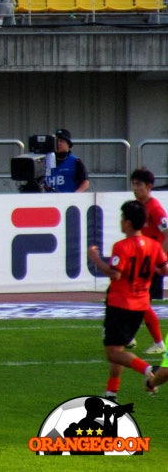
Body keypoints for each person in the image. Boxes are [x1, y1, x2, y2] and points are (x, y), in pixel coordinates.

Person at [87, 201, 167, 401]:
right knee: (119, 349)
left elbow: (115, 274)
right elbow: (164, 269)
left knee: (112, 353)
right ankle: (111, 394)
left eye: (123, 219)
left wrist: (95, 258)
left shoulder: (122, 246)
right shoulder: (153, 245)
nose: (121, 222)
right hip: (140, 306)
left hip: (120, 304)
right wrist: (150, 272)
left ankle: (150, 369)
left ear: (129, 223)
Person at [126, 168, 168, 356]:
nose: (135, 188)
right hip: (142, 261)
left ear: (149, 187)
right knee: (138, 301)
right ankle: (129, 335)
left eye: (139, 185)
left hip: (151, 262)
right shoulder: (137, 206)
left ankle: (157, 342)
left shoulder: (155, 208)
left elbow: (167, 234)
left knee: (140, 301)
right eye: (133, 184)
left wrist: (159, 258)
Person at [45, 128, 90, 193]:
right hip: (47, 201)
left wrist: (74, 196)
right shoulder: (44, 161)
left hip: (68, 201)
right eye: (56, 141)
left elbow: (85, 183)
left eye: (62, 141)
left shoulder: (75, 161)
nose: (58, 144)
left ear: (68, 144)